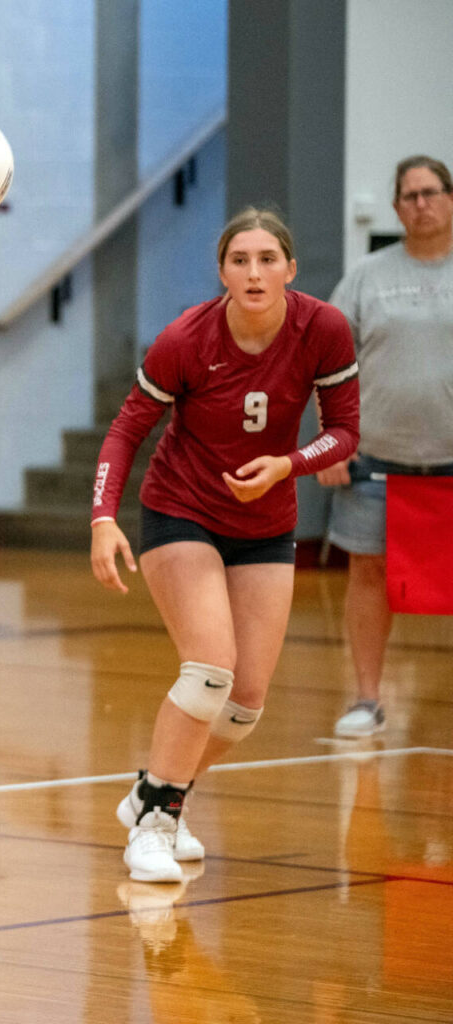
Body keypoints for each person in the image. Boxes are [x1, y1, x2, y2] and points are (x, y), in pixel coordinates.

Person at [90, 208, 360, 883]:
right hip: (181, 509)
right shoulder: (185, 337)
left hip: (267, 521)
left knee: (244, 704)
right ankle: (154, 826)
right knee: (210, 668)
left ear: (291, 269)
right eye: (240, 259)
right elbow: (128, 429)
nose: (255, 271)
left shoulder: (322, 328)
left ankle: (155, 790)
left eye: (268, 258)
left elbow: (346, 432)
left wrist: (286, 465)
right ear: (223, 272)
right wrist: (102, 517)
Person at [316, 155, 453, 738]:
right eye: (409, 196)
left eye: (431, 192)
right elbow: (327, 361)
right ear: (396, 208)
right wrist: (331, 441)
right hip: (375, 464)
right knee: (368, 576)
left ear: (450, 198)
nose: (420, 204)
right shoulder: (367, 276)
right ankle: (367, 699)